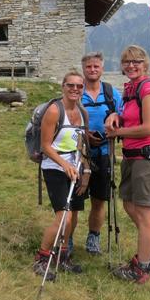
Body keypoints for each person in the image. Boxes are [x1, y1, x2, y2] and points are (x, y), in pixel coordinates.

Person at [104, 45, 150, 284]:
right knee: (130, 206)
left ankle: (141, 268)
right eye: (126, 62)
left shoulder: (148, 88)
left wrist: (117, 132)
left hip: (149, 158)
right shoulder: (130, 89)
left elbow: (149, 127)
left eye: (136, 61)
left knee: (144, 215)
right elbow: (130, 115)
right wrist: (115, 116)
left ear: (145, 64)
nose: (131, 65)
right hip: (134, 157)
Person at [33, 70, 91, 281]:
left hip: (76, 167)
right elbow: (46, 146)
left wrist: (86, 170)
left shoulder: (83, 112)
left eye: (79, 86)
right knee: (63, 217)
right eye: (71, 85)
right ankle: (42, 257)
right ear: (63, 87)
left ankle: (63, 256)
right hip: (55, 167)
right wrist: (64, 163)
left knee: (73, 215)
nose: (75, 89)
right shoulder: (54, 111)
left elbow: (82, 144)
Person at [80, 52, 123, 255]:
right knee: (75, 200)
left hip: (105, 152)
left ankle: (93, 238)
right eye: (89, 66)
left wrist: (115, 123)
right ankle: (66, 239)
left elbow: (123, 116)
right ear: (83, 69)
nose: (92, 69)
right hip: (79, 153)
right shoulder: (76, 91)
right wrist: (84, 134)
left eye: (96, 66)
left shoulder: (111, 93)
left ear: (102, 68)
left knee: (99, 200)